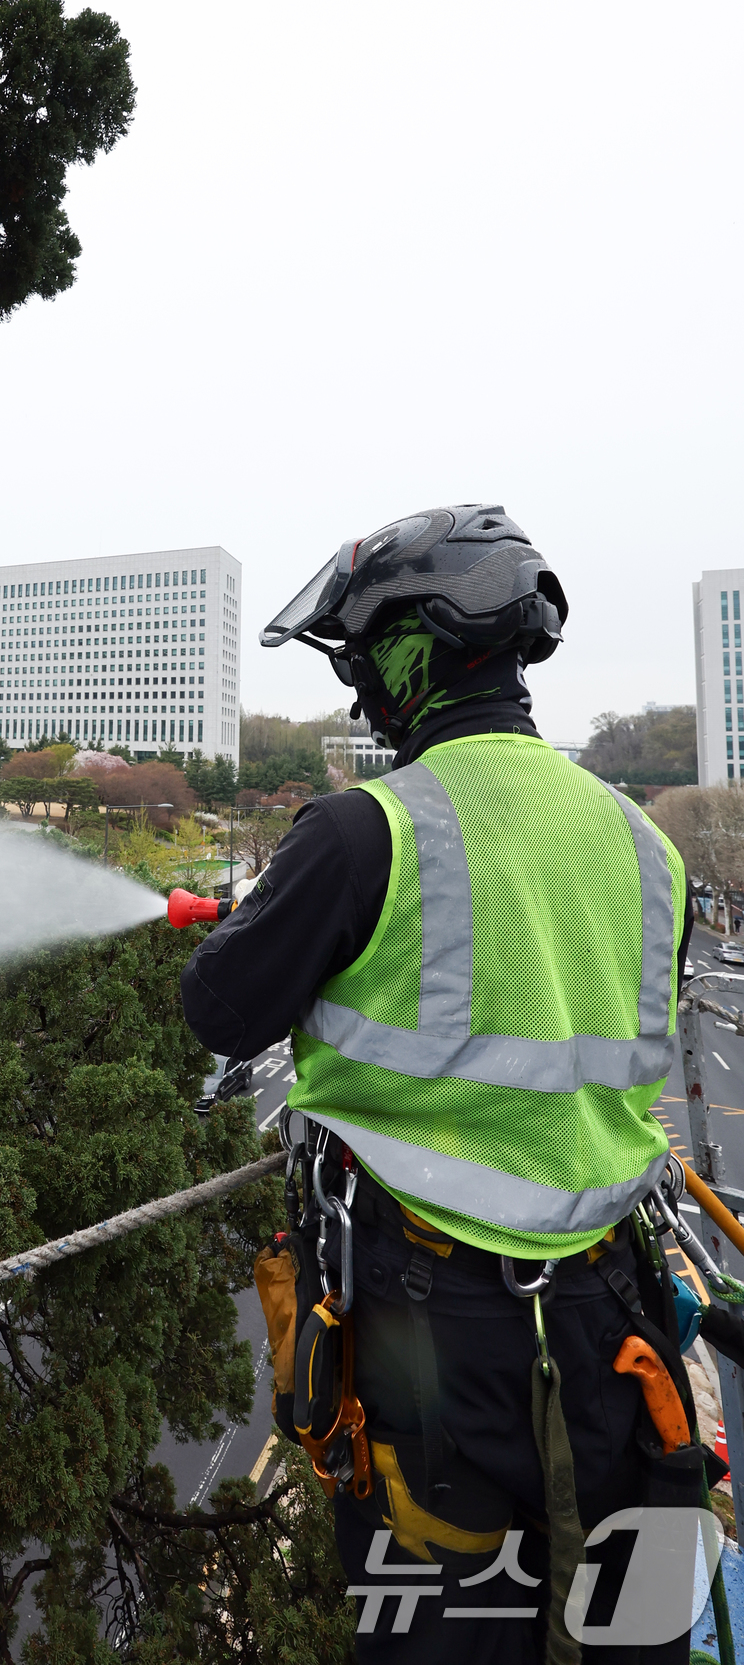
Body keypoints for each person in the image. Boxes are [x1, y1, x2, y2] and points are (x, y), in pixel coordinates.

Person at [181, 505, 701, 1664]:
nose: (363, 695)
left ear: (413, 652)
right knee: (629, 1633)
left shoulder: (364, 831)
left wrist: (279, 920)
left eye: (364, 664)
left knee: (440, 1638)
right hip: (613, 1327)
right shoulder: (643, 842)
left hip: (434, 1347)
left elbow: (217, 1006)